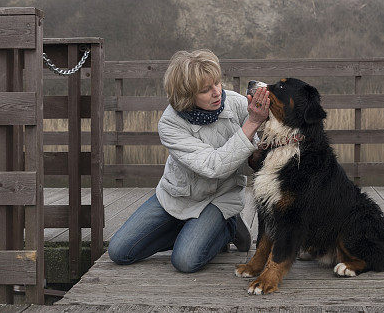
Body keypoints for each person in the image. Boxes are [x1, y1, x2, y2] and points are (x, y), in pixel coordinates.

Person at [107, 49, 270, 273]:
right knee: (119, 251)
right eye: (205, 90)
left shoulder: (238, 105)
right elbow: (213, 166)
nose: (216, 93)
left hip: (220, 198)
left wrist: (263, 132)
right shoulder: (169, 124)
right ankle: (194, 230)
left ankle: (228, 225)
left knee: (184, 261)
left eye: (217, 83)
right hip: (178, 195)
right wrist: (252, 124)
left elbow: (253, 164)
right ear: (186, 95)